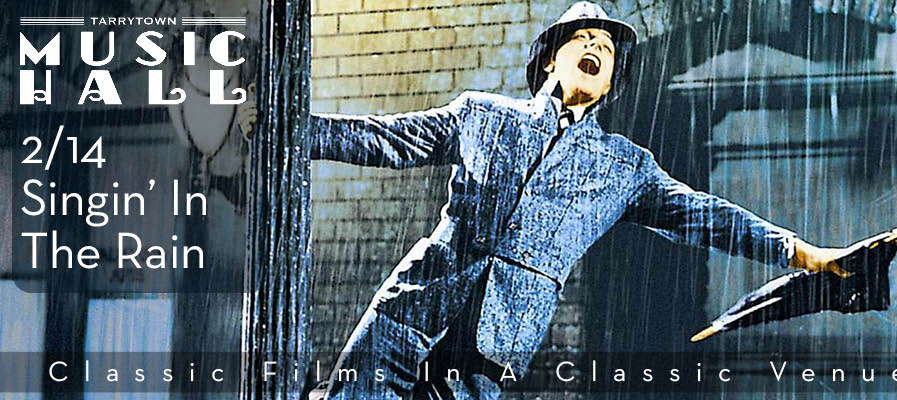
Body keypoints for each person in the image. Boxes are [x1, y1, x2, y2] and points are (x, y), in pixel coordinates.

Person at [240, 2, 851, 399]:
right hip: (406, 318)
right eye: (583, 39)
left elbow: (707, 216)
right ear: (551, 60)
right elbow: (386, 139)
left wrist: (801, 253)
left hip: (489, 354)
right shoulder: (482, 116)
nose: (596, 48)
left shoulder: (625, 167)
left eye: (606, 49)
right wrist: (284, 128)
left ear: (610, 83)